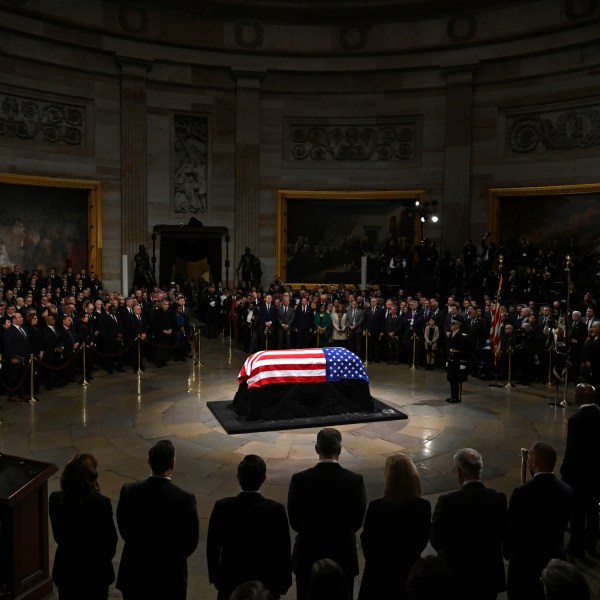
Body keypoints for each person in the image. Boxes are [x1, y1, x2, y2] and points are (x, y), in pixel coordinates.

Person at [287, 428, 366, 600]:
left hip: (308, 555)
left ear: (317, 449)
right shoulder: (355, 481)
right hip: (343, 554)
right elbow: (358, 521)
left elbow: (295, 522)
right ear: (339, 450)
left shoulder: (300, 480)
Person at [116, 439, 200, 600]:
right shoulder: (184, 499)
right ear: (173, 464)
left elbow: (124, 528)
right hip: (169, 577)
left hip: (135, 572)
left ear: (149, 461)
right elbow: (191, 542)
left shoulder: (129, 491)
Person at [206, 454, 292, 600]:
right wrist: (283, 584)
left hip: (230, 582)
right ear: (264, 478)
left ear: (238, 477)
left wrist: (216, 578)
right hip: (266, 585)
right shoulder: (275, 510)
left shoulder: (222, 507)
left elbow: (212, 548)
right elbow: (282, 551)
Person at [430, 448, 507, 600]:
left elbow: (436, 540)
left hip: (457, 575)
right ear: (480, 469)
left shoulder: (447, 502)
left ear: (459, 471)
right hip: (488, 576)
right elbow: (503, 535)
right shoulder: (498, 499)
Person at [504, 441, 574, 600]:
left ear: (535, 462)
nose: (527, 462)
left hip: (524, 564)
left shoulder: (522, 492)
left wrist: (508, 552)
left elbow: (511, 528)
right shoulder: (567, 490)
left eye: (529, 459)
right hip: (554, 560)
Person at [358, 454, 430, 600]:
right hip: (410, 575)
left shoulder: (376, 508)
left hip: (378, 578)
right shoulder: (422, 507)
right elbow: (421, 542)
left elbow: (367, 544)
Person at [49, 453, 118, 600]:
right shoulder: (101, 504)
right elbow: (110, 545)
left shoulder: (55, 499)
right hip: (95, 574)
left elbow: (58, 536)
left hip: (67, 570)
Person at [559, 382, 600, 557]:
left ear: (580, 397)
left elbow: (571, 450)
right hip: (597, 473)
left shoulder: (576, 420)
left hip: (578, 475)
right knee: (593, 512)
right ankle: (591, 545)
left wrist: (564, 471)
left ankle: (576, 547)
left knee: (577, 513)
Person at [446, 316, 469, 403]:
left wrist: (463, 363)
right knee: (451, 379)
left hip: (458, 360)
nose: (451, 325)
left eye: (453, 324)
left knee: (457, 380)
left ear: (458, 325)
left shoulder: (462, 336)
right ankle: (452, 395)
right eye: (451, 323)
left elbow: (464, 351)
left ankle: (457, 397)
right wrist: (448, 360)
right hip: (452, 360)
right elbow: (450, 349)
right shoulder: (452, 334)